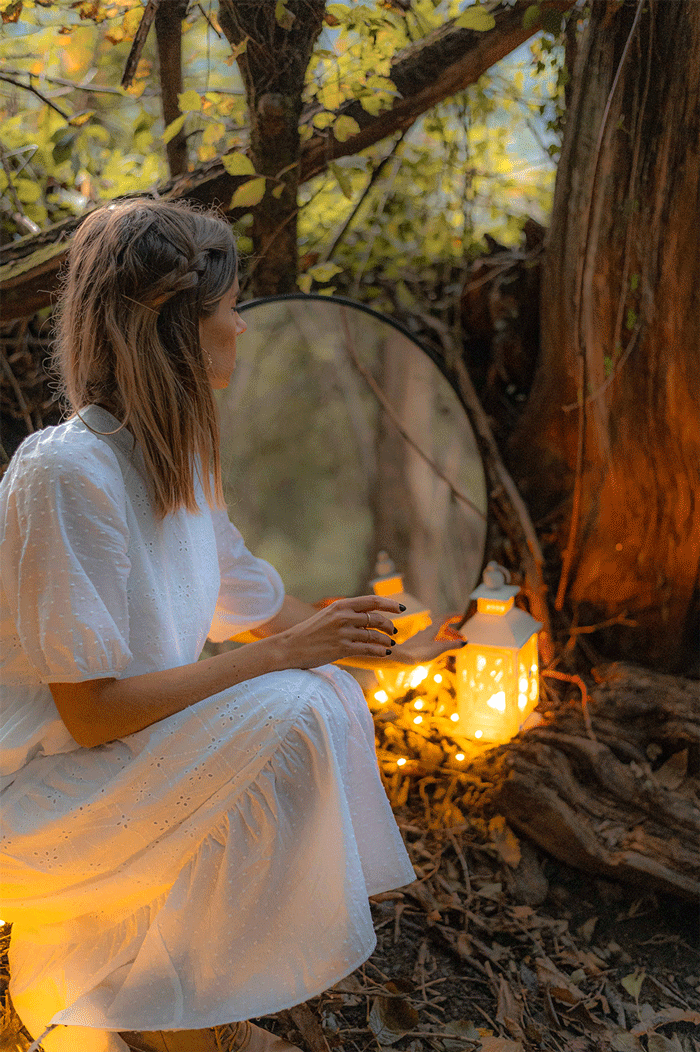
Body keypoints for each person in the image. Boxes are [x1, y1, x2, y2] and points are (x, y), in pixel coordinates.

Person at [0, 199, 460, 1052]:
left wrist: (406, 651)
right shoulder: (65, 474)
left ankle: (192, 991)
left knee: (320, 687)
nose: (242, 329)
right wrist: (289, 654)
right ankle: (182, 1017)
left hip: (123, 770)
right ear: (175, 331)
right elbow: (91, 713)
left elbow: (250, 602)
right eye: (227, 310)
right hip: (38, 802)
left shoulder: (176, 457)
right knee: (296, 705)